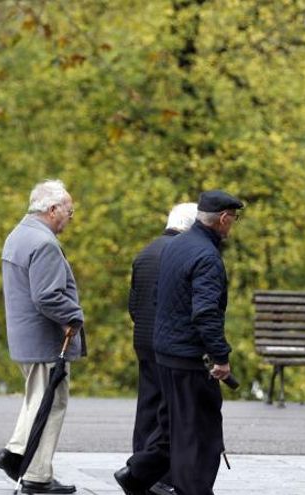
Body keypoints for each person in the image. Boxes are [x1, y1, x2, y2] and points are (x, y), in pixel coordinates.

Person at [114, 190, 243, 495]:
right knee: (199, 432)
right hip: (190, 358)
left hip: (165, 354)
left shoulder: (176, 246)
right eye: (233, 219)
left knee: (171, 423)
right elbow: (206, 313)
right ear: (223, 219)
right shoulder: (207, 257)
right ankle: (192, 489)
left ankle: (137, 474)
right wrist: (221, 357)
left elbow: (157, 298)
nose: (233, 225)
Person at [0, 180, 86, 495]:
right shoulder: (43, 243)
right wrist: (73, 316)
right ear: (52, 209)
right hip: (44, 340)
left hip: (25, 338)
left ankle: (20, 457)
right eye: (69, 211)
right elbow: (47, 296)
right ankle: (34, 473)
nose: (71, 217)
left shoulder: (17, 235)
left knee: (38, 400)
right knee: (50, 403)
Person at [128, 202, 198, 495]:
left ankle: (137, 468)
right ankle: (159, 474)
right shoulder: (182, 254)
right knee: (170, 411)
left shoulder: (145, 252)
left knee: (147, 406)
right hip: (168, 344)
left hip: (143, 339)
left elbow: (133, 303)